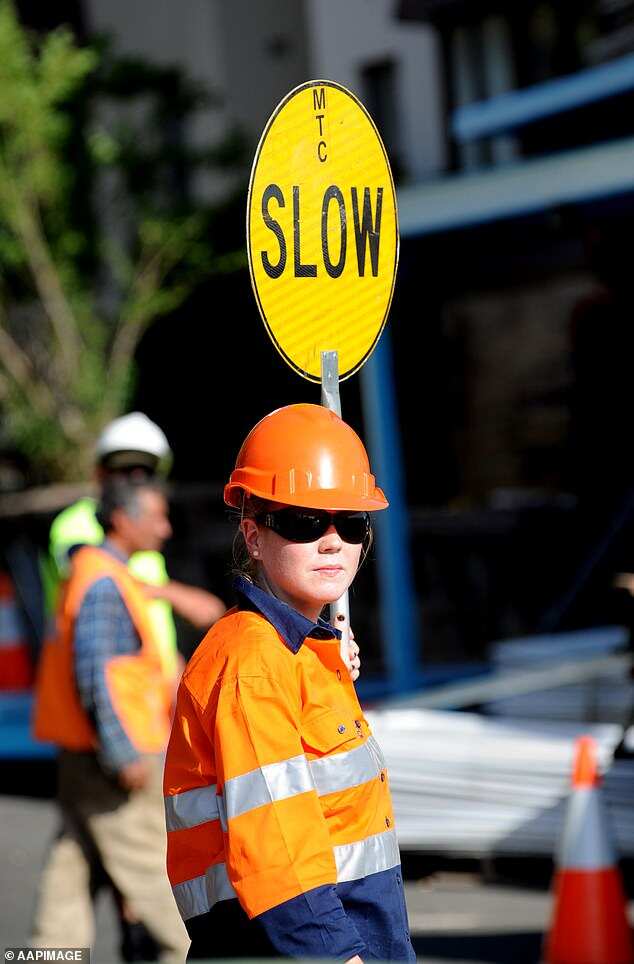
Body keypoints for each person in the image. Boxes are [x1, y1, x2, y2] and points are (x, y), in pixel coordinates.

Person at [163, 403, 415, 960]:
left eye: (350, 523)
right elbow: (277, 848)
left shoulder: (300, 651)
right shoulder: (252, 663)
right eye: (304, 522)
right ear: (253, 537)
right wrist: (336, 955)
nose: (332, 542)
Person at [32, 478, 190, 962]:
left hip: (81, 753)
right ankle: (189, 954)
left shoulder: (92, 572)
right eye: (156, 516)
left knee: (69, 873)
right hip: (119, 758)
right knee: (152, 874)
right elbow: (95, 675)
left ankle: (48, 955)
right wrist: (121, 753)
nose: (165, 529)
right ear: (122, 519)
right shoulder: (103, 581)